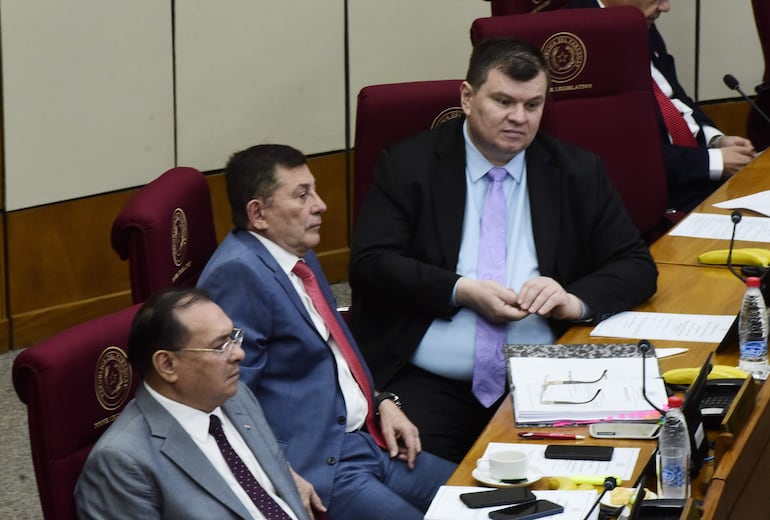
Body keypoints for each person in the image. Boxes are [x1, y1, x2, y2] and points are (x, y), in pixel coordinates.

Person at [348, 38, 658, 463]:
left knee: (580, 477)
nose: (518, 118)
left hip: (545, 376)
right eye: (503, 101)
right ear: (468, 97)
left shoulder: (575, 171)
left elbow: (636, 265)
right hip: (428, 377)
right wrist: (460, 290)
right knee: (422, 484)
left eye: (533, 105)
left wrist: (572, 300)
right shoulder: (409, 166)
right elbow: (371, 264)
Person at [197, 144, 456, 520]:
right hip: (321, 465)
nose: (320, 205)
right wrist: (279, 475)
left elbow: (334, 349)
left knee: (483, 495)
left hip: (368, 440)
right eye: (302, 196)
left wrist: (381, 400)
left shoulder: (296, 251)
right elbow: (228, 395)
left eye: (314, 190)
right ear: (258, 213)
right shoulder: (238, 274)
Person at [75, 288, 322, 519]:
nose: (239, 354)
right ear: (167, 365)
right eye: (220, 346)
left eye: (233, 337)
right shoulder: (122, 463)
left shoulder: (235, 395)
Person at [569, 0, 756, 212]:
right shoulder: (578, 35)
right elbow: (620, 151)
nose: (666, 7)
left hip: (695, 172)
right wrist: (712, 161)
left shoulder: (639, 20)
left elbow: (675, 96)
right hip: (661, 196)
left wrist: (714, 139)